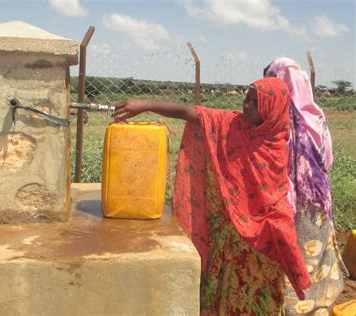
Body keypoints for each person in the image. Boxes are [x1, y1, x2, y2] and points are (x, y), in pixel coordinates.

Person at [113, 77, 311, 314]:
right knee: (222, 296)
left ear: (272, 111)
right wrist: (146, 104)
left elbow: (273, 195)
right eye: (246, 98)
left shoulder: (275, 144)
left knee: (259, 299)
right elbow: (189, 112)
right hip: (227, 236)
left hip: (262, 242)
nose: (246, 105)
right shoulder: (231, 124)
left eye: (255, 103)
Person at [264, 57, 348, 314]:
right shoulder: (316, 117)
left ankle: (287, 308)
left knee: (289, 259)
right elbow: (328, 160)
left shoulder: (271, 119)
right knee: (312, 257)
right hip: (317, 204)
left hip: (283, 205)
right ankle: (316, 305)